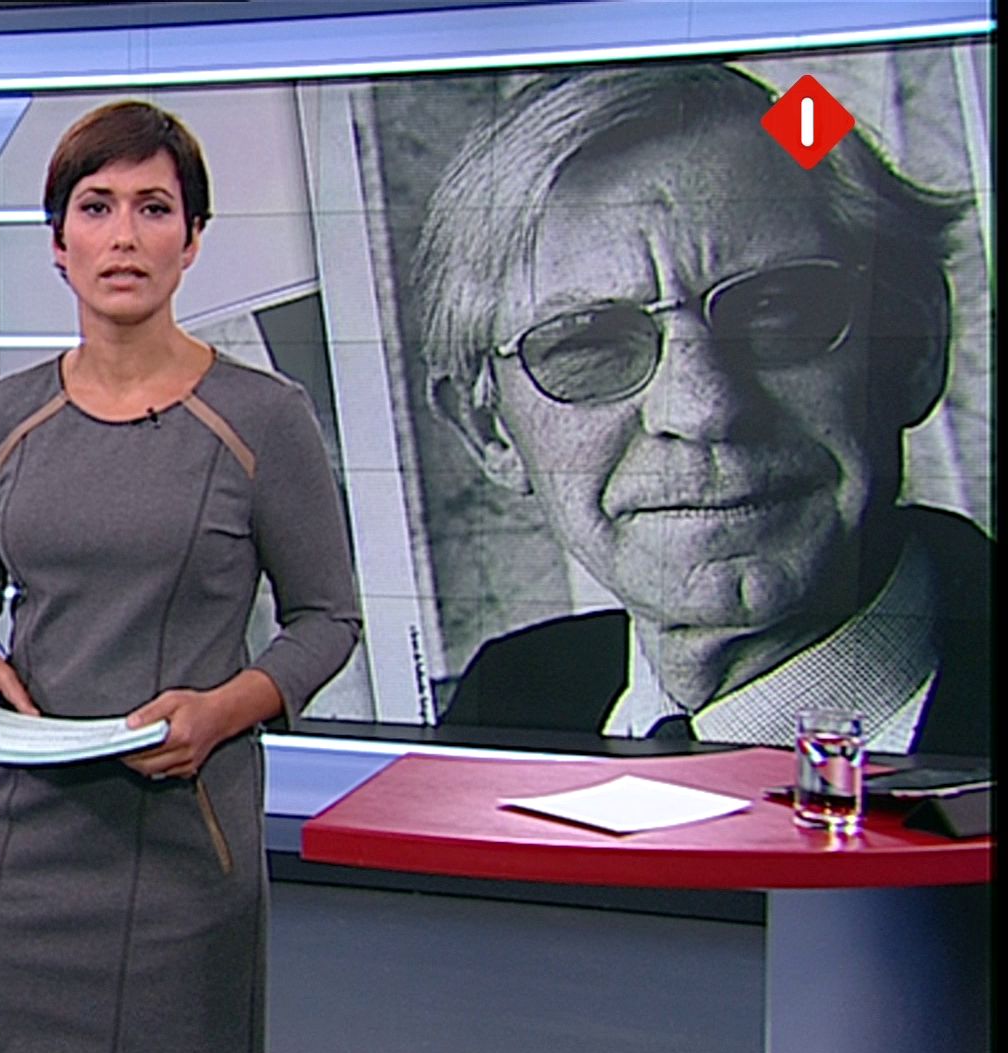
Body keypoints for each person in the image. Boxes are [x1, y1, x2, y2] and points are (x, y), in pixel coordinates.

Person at [0, 101, 360, 1053]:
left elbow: (327, 620)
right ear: (59, 243)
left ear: (192, 240)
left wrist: (222, 711)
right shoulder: (5, 413)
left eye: (153, 208)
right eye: (97, 206)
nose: (123, 236)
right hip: (22, 837)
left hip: (182, 838)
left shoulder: (264, 417)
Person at [412, 64, 991, 757]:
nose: (704, 408)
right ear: (490, 433)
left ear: (915, 346)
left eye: (777, 312)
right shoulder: (505, 699)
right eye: (590, 346)